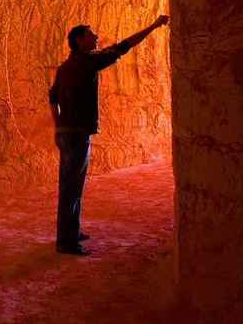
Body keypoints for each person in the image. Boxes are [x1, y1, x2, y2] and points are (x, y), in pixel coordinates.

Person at [48, 16, 170, 255]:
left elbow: (52, 99)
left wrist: (57, 127)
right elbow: (123, 46)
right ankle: (66, 242)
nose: (96, 38)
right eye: (91, 35)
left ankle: (71, 232)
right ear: (79, 40)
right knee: (72, 186)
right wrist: (153, 26)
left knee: (70, 184)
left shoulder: (64, 66)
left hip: (65, 132)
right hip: (78, 132)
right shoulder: (87, 61)